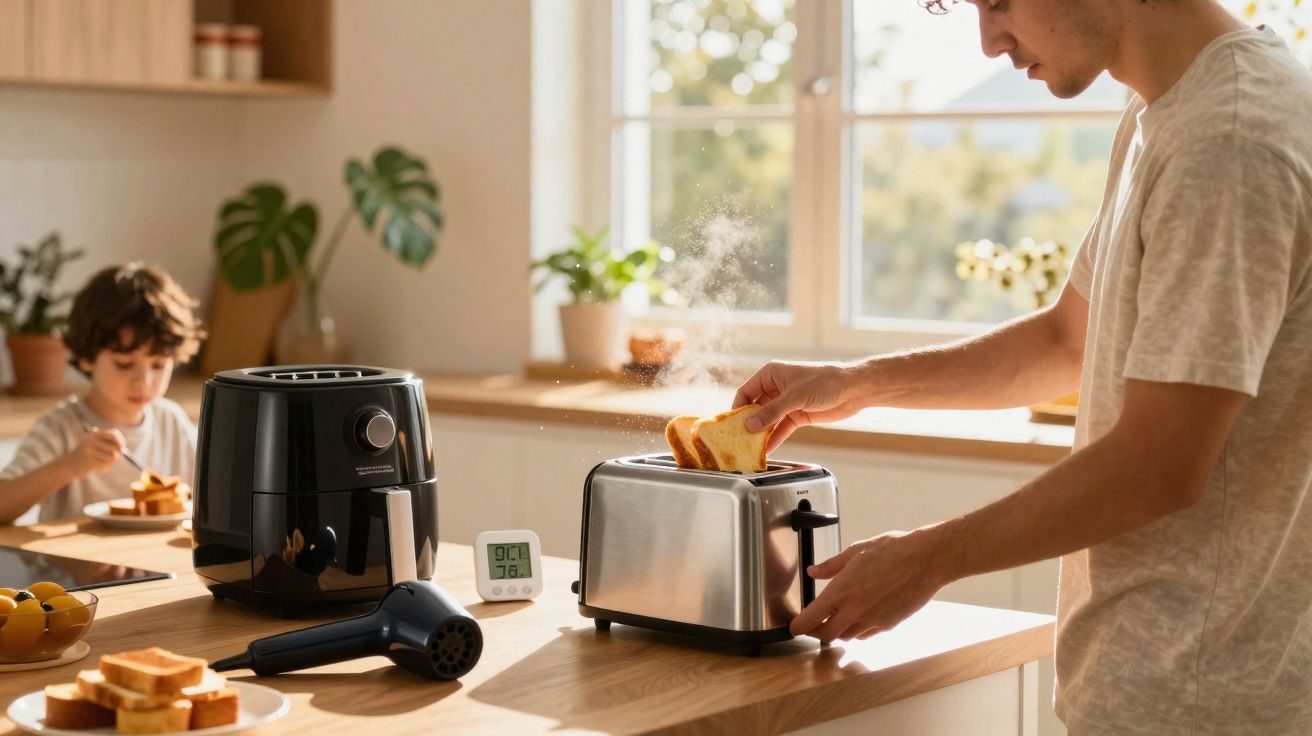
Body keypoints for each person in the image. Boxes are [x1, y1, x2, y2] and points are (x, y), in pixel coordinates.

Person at [733, 1, 1312, 733]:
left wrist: (928, 560)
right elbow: (1066, 341)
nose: (989, 42)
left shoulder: (1228, 140)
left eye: (1000, 1)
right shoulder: (1160, 111)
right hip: (1148, 682)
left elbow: (1159, 464)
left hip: (1205, 700)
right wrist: (857, 382)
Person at [0, 263, 206, 524]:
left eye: (158, 364)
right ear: (87, 357)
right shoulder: (62, 426)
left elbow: (215, 495)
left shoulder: (171, 422)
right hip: (72, 563)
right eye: (124, 364)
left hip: (152, 562)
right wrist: (70, 465)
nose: (144, 380)